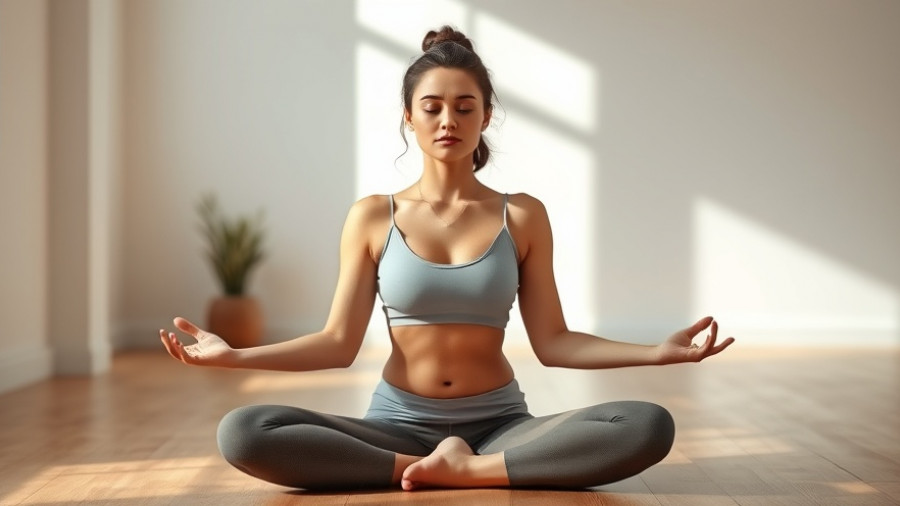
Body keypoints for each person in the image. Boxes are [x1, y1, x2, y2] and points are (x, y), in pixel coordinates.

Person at [159, 26, 734, 491]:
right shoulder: (371, 216)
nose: (448, 121)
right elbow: (338, 342)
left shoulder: (523, 215)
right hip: (396, 427)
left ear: (486, 116)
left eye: (465, 107)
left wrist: (657, 353)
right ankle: (420, 467)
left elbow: (555, 342)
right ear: (409, 116)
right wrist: (235, 357)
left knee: (646, 424)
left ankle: (468, 468)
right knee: (245, 431)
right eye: (431, 107)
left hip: (502, 426)